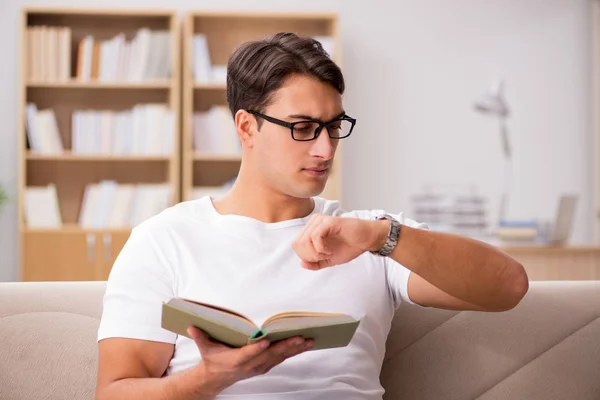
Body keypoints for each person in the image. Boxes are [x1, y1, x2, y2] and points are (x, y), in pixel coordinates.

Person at [95, 32, 528, 400]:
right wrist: (210, 379)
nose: (325, 149)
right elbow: (113, 392)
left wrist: (380, 236)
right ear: (247, 127)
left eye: (334, 126)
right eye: (303, 128)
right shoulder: (164, 239)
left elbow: (509, 287)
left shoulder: (369, 234)